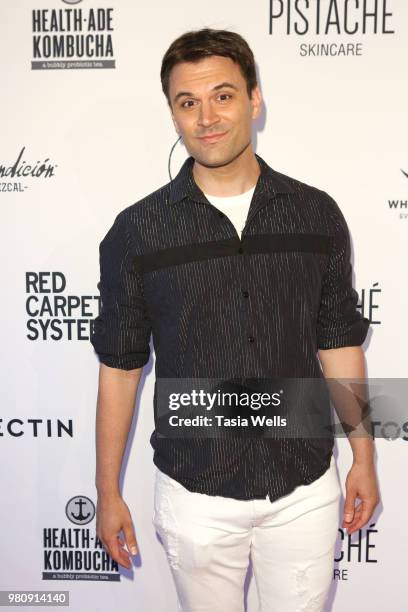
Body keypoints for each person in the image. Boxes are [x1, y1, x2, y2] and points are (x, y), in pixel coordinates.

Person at [91, 27, 380, 612]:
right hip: (194, 490)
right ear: (172, 113)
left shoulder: (315, 214)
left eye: (222, 95)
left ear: (255, 98)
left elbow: (338, 344)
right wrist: (106, 492)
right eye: (187, 102)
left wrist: (364, 458)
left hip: (303, 486)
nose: (206, 117)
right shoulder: (137, 232)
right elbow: (120, 368)